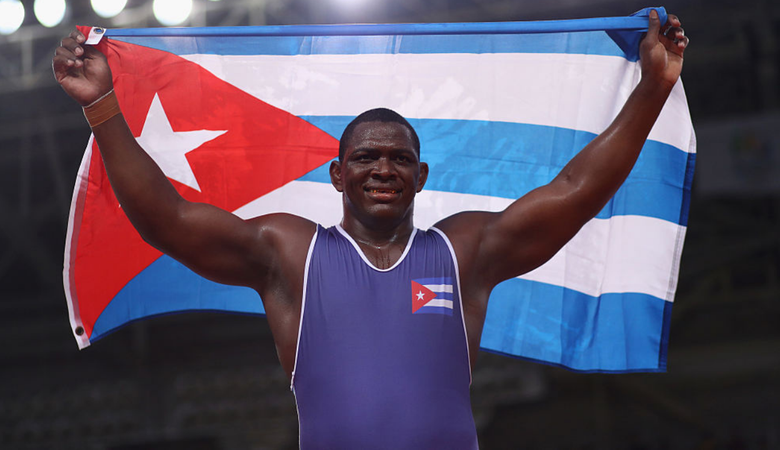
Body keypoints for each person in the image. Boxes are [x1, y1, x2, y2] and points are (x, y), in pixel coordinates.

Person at [53, 9, 687, 449]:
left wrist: (653, 87)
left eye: (399, 159)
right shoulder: (290, 255)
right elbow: (168, 221)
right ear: (335, 174)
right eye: (365, 157)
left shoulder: (463, 252)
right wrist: (102, 107)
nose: (383, 169)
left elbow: (575, 193)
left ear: (422, 176)